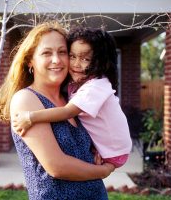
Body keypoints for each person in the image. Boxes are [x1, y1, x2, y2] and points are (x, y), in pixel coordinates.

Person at [0, 22, 114, 200]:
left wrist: (98, 151)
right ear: (30, 61)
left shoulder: (72, 98)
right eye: (46, 53)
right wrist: (103, 171)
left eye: (62, 52)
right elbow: (57, 166)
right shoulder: (26, 99)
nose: (56, 60)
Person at [12, 27, 132, 168]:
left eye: (86, 59)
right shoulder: (75, 85)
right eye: (72, 56)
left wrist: (30, 117)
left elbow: (67, 112)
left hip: (115, 153)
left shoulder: (96, 87)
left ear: (99, 62)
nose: (76, 64)